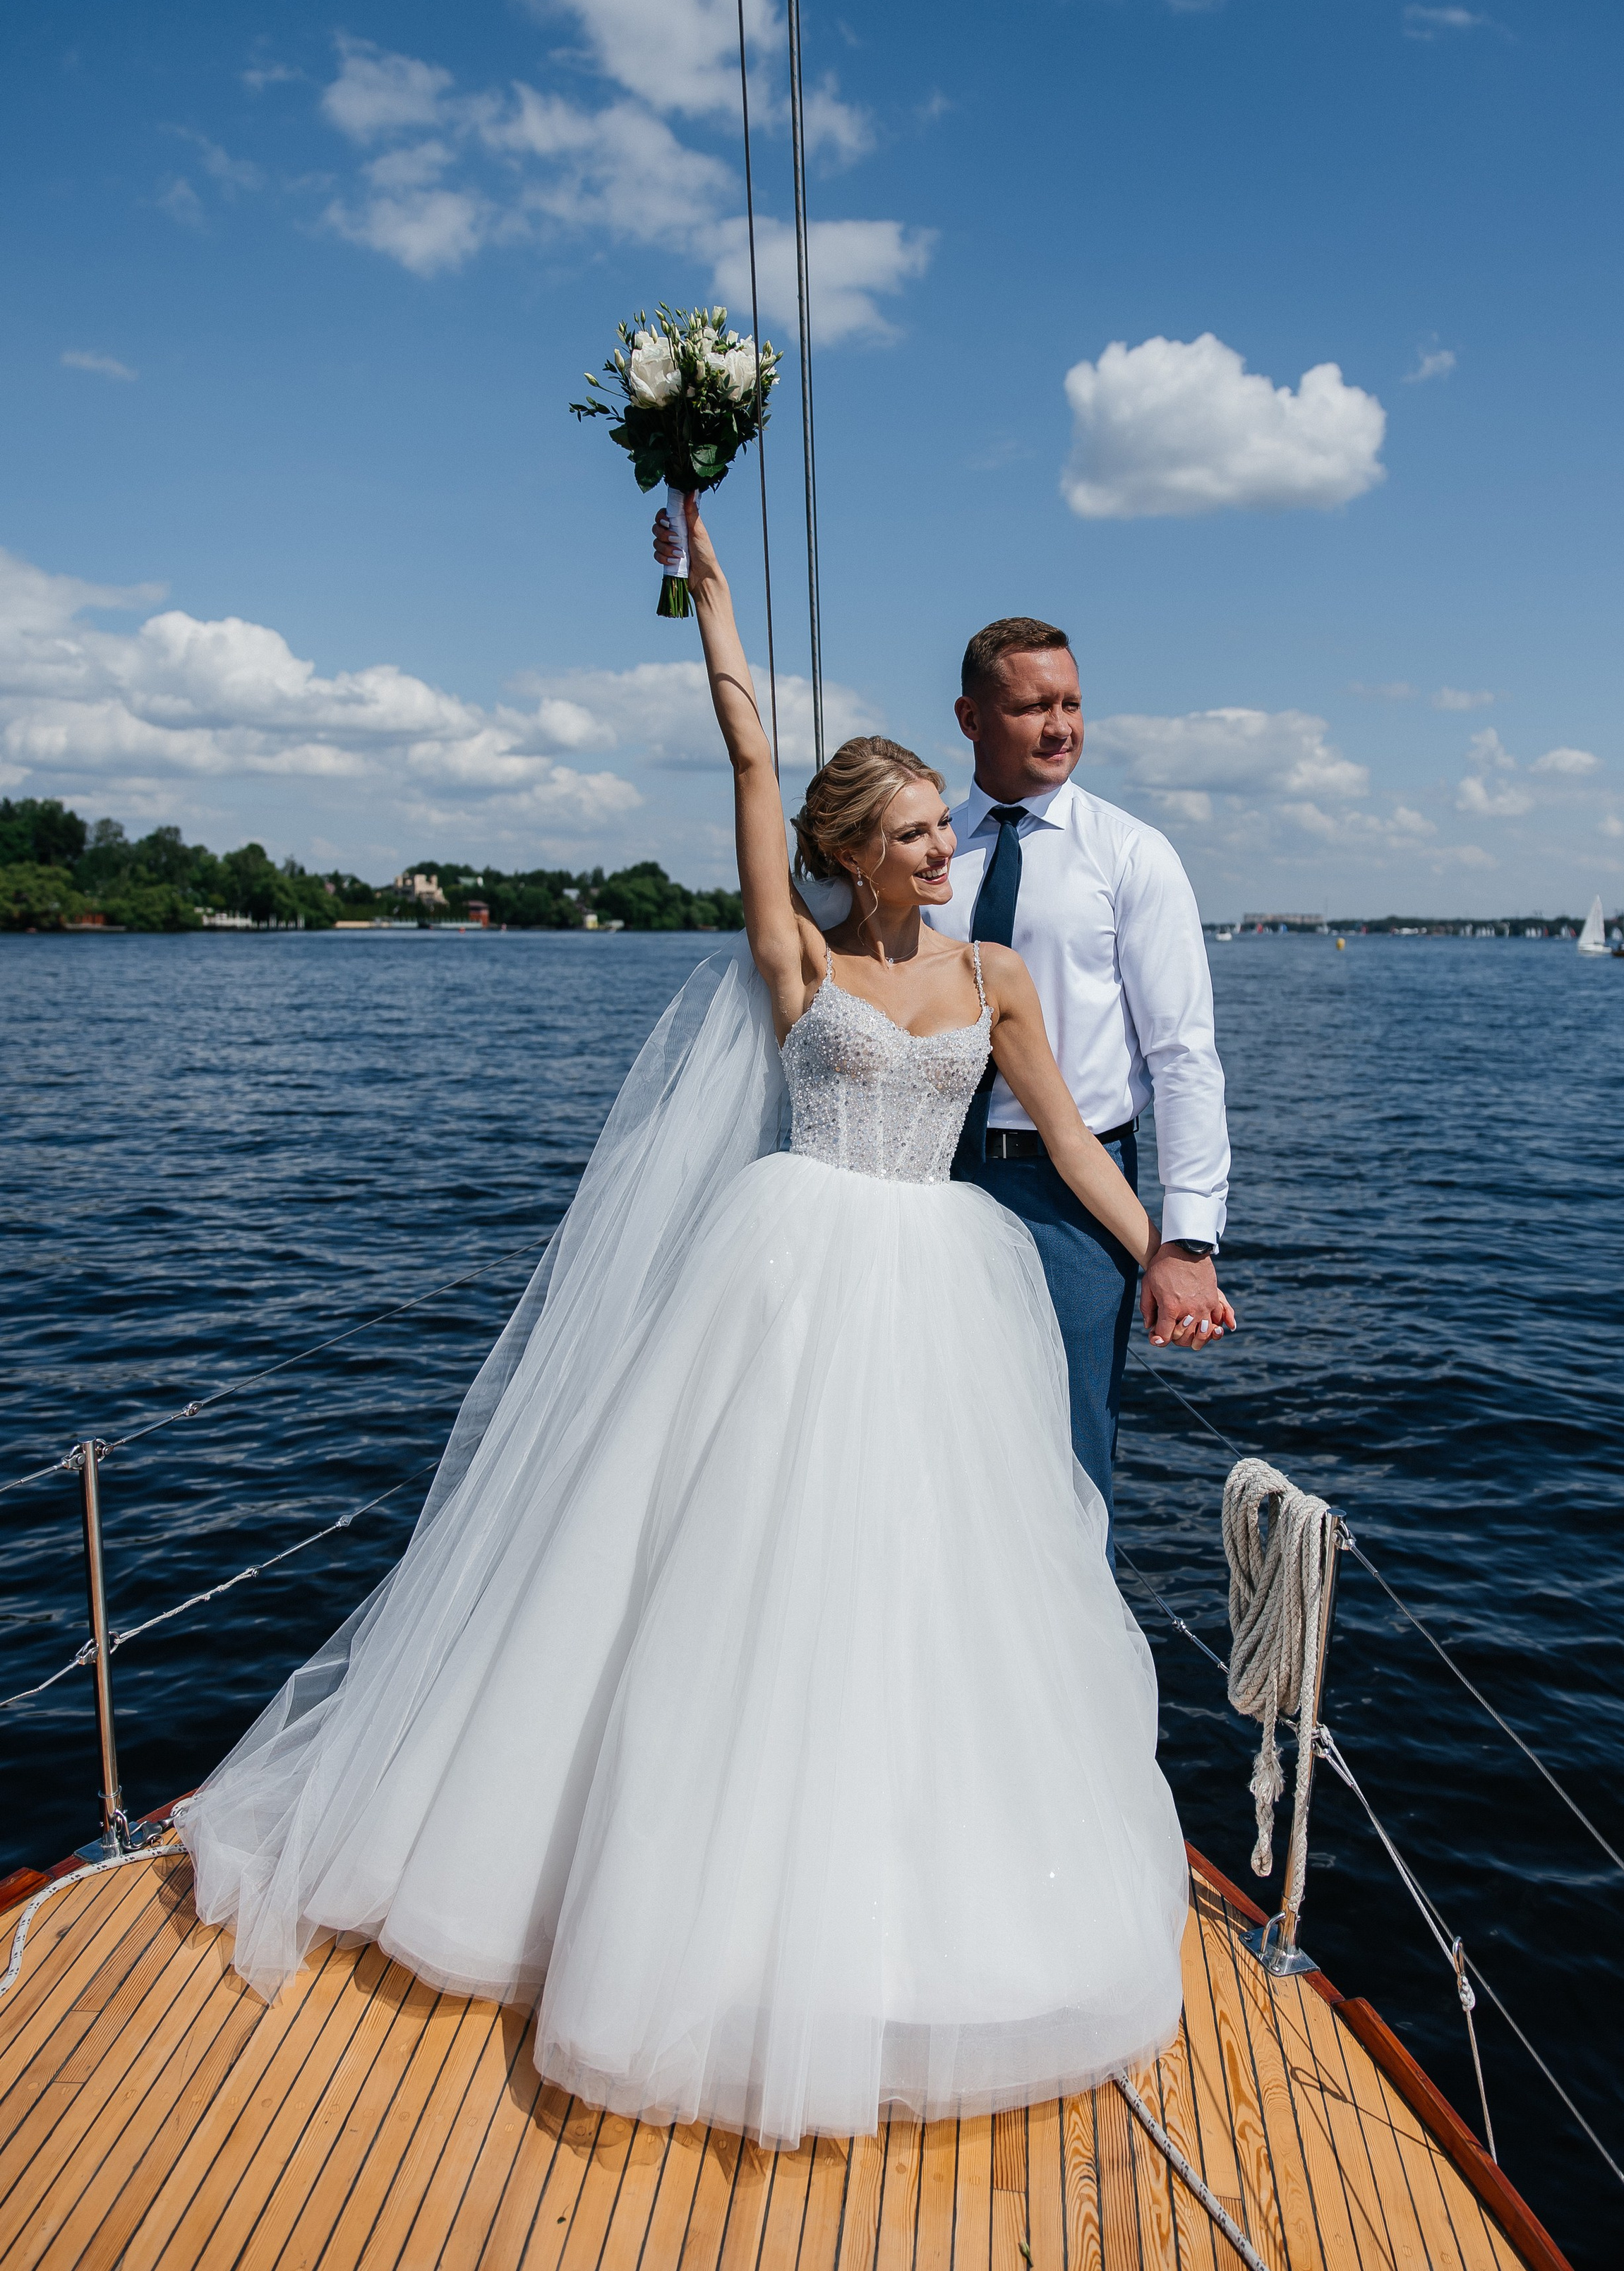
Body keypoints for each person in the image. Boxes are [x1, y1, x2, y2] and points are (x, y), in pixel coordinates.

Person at [179, 499, 1188, 2152]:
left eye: (948, 829)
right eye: (920, 833)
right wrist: (709, 596)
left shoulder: (994, 979)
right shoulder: (795, 960)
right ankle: (679, 1903)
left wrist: (1174, 1256)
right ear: (859, 852)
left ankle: (918, 1895)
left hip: (937, 1297)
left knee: (929, 1589)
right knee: (736, 1576)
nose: (946, 851)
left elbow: (1070, 1144)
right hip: (785, 1287)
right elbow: (743, 755)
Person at [938, 620, 1234, 1533]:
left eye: (1070, 703)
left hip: (1074, 1195)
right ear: (972, 717)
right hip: (926, 1181)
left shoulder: (1131, 854)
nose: (1060, 725)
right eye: (1032, 706)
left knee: (1067, 1463)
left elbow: (1183, 1054)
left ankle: (1072, 1676)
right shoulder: (925, 850)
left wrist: (1184, 1243)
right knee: (927, 1441)